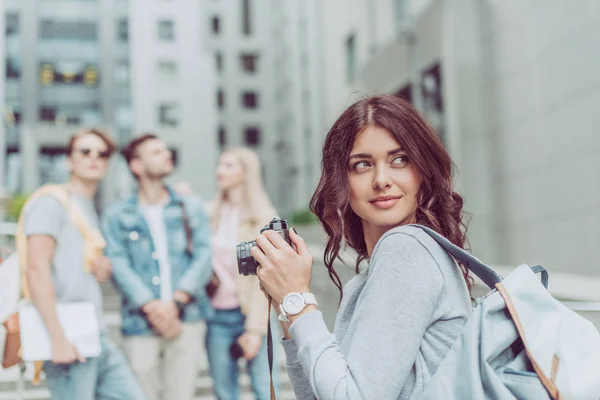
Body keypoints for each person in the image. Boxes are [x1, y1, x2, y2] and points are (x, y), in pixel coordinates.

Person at [251, 95, 473, 399]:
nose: (382, 180)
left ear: (423, 171)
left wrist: (298, 301)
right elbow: (317, 395)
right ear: (342, 181)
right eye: (363, 165)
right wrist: (288, 309)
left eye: (400, 159)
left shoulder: (406, 248)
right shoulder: (372, 273)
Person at [23, 128, 146, 400]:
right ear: (69, 160)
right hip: (67, 331)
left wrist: (99, 268)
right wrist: (58, 338)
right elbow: (36, 269)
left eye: (102, 154)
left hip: (94, 332)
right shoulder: (51, 202)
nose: (94, 158)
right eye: (85, 151)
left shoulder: (85, 208)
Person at [102, 134, 213, 400]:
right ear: (136, 166)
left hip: (186, 317)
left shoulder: (190, 206)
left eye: (166, 150)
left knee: (182, 394)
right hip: (140, 321)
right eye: (156, 152)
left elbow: (203, 256)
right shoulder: (117, 215)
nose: (167, 155)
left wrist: (174, 304)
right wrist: (153, 307)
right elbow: (118, 263)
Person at [205, 147, 279, 400]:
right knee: (225, 392)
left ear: (245, 172)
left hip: (252, 315)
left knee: (264, 389)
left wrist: (255, 330)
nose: (219, 171)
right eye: (219, 164)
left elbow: (267, 277)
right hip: (216, 316)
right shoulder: (209, 214)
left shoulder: (264, 218)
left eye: (228, 165)